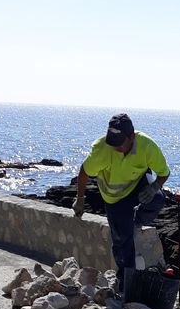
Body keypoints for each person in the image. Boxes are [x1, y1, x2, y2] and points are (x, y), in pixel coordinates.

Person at [72, 113, 170, 274]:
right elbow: (85, 171)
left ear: (132, 136)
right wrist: (80, 199)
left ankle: (136, 219)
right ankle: (125, 278)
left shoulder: (147, 146)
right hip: (114, 198)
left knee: (158, 199)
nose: (115, 147)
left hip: (138, 183)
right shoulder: (103, 149)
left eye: (119, 143)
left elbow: (164, 172)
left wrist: (154, 187)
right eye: (112, 143)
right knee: (121, 240)